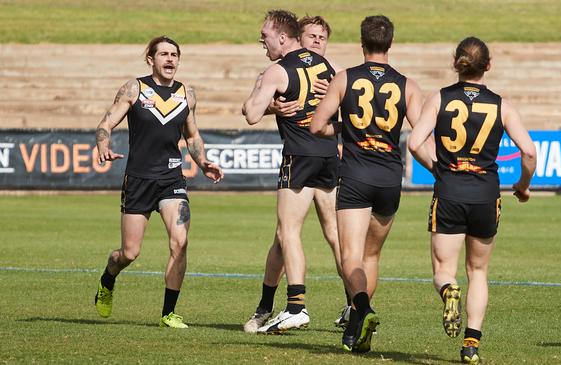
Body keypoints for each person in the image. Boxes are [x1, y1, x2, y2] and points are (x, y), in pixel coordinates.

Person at [408, 37, 537, 364]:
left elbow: (413, 142)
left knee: (443, 270)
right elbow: (530, 152)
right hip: (485, 194)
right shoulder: (501, 104)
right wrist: (522, 186)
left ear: (456, 62)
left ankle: (448, 290)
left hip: (450, 190)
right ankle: (471, 345)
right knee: (478, 271)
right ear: (488, 65)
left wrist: (436, 167)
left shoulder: (439, 98)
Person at [311, 15, 434, 353]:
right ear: (390, 44)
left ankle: (362, 308)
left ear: (361, 44)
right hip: (389, 177)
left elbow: (317, 126)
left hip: (355, 175)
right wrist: (442, 170)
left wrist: (344, 129)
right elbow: (422, 138)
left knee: (351, 256)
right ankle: (354, 330)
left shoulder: (344, 78)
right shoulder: (407, 85)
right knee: (372, 255)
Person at [93, 35, 224, 328]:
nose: (170, 59)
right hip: (139, 179)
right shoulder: (134, 88)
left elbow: (191, 135)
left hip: (171, 179)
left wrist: (202, 162)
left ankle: (168, 313)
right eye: (163, 54)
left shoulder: (186, 94)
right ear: (150, 59)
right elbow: (106, 123)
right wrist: (103, 144)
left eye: (174, 55)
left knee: (180, 242)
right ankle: (108, 277)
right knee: (129, 253)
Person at [242, 10, 342, 334]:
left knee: (288, 233)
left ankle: (296, 306)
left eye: (265, 35)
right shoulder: (327, 67)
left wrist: (267, 102)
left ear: (282, 37)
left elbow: (251, 115)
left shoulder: (277, 70)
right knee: (331, 235)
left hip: (299, 157)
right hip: (328, 156)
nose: (263, 40)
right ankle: (356, 304)